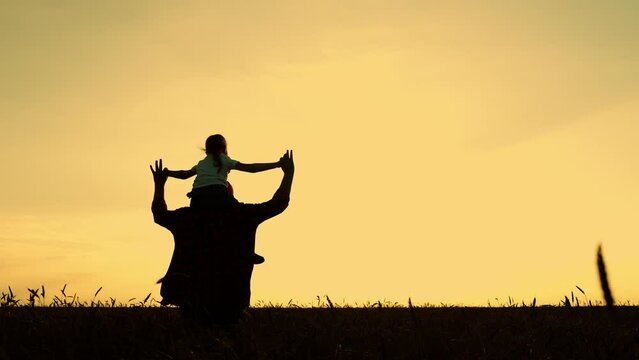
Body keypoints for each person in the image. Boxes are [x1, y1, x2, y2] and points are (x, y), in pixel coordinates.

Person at [150, 150, 294, 325]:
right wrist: (288, 175)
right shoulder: (242, 216)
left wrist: (159, 184)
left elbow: (159, 214)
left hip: (192, 306)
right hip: (231, 305)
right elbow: (278, 204)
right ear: (228, 195)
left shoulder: (186, 218)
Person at [164, 134, 281, 264]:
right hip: (219, 196)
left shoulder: (201, 163)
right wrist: (276, 164)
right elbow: (251, 168)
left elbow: (184, 175)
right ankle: (246, 251)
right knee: (242, 218)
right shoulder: (224, 159)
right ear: (224, 148)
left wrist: (168, 173)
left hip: (197, 200)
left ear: (206, 150)